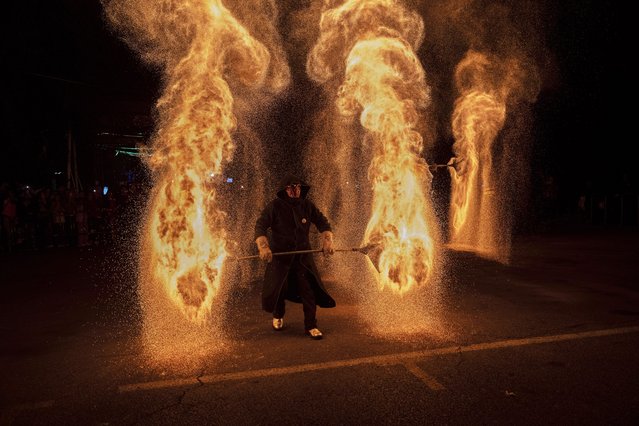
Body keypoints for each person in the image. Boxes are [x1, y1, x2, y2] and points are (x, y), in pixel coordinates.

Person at [255, 175, 335, 340]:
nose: (295, 190)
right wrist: (263, 247)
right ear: (285, 190)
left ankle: (311, 326)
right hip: (280, 258)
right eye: (291, 187)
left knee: (309, 291)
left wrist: (328, 241)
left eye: (298, 187)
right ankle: (278, 315)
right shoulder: (275, 206)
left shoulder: (306, 205)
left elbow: (323, 223)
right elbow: (260, 226)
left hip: (302, 258)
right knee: (279, 289)